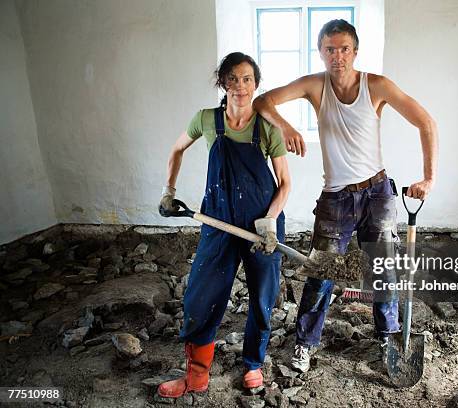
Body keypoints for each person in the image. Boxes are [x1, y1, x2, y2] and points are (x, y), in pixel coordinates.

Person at [253, 19, 438, 373]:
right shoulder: (315, 85)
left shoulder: (377, 86)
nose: (337, 56)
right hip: (336, 198)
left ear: (355, 51)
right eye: (329, 49)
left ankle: (389, 338)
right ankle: (305, 344)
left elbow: (426, 122)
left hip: (378, 193)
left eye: (344, 49)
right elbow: (263, 101)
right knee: (322, 272)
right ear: (321, 52)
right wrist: (287, 125)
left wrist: (429, 179)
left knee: (384, 270)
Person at [157, 52, 291, 396]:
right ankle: (197, 375)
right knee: (202, 295)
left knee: (263, 296)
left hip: (262, 226)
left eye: (247, 79)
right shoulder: (206, 120)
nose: (241, 86)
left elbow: (285, 183)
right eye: (233, 79)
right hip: (217, 221)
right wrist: (168, 191)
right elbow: (176, 150)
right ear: (223, 83)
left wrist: (271, 220)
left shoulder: (267, 128)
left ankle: (253, 365)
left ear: (256, 84)